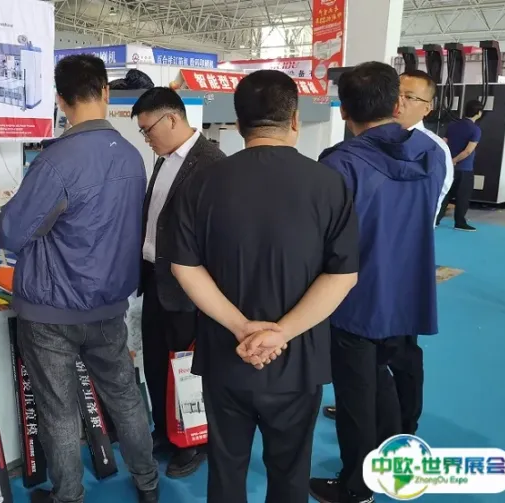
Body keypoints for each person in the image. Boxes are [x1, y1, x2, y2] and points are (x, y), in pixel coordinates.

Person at [162, 69, 360, 503]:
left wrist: (241, 328)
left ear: (238, 123)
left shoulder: (202, 182)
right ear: (295, 119)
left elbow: (184, 268)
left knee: (226, 467)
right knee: (290, 471)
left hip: (225, 355)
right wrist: (280, 333)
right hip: (297, 359)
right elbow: (343, 274)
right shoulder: (328, 184)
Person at [0, 54, 159, 503]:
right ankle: (148, 483)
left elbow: (12, 232)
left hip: (51, 309)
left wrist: (0, 213)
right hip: (109, 304)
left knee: (59, 410)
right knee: (124, 397)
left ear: (61, 100)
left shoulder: (55, 162)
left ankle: (68, 495)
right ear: (105, 92)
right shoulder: (131, 155)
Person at [308, 62, 447, 503]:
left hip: (355, 296)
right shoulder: (430, 155)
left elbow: (324, 239)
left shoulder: (340, 163)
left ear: (344, 109)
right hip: (407, 288)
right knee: (385, 380)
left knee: (356, 393)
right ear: (395, 103)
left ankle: (357, 484)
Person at [131, 87, 225, 478]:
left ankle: (193, 442)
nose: (146, 138)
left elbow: (217, 237)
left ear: (171, 118)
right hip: (155, 280)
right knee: (155, 362)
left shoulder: (212, 163)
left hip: (189, 290)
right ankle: (165, 431)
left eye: (148, 129)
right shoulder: (163, 160)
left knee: (185, 370)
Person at [436, 99, 484, 231]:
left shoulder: (452, 125)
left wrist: (448, 161)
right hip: (465, 169)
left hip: (449, 168)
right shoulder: (475, 129)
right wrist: (455, 160)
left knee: (446, 194)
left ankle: (436, 219)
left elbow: (443, 142)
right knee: (463, 196)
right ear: (479, 113)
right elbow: (468, 151)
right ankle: (460, 222)